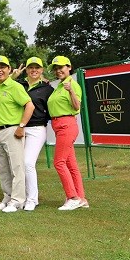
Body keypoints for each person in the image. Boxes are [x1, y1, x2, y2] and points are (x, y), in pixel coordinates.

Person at [0, 55, 35, 213]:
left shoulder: (15, 87)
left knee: (17, 168)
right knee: (3, 169)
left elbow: (29, 106)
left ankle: (17, 201)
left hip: (13, 130)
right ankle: (7, 198)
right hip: (0, 131)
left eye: (3, 67)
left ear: (9, 69)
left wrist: (22, 126)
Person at [12, 57, 54, 211]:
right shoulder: (19, 85)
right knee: (18, 163)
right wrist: (13, 77)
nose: (34, 70)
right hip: (19, 128)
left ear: (42, 70)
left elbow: (51, 110)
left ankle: (32, 199)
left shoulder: (47, 89)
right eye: (31, 67)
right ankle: (21, 197)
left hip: (37, 128)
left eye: (37, 68)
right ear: (27, 70)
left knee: (28, 163)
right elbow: (2, 86)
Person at [47, 55, 89, 210]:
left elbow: (77, 106)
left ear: (69, 67)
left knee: (59, 162)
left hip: (67, 125)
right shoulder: (59, 86)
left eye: (61, 67)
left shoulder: (72, 84)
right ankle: (82, 198)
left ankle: (73, 197)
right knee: (71, 164)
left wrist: (71, 91)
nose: (58, 71)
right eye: (56, 68)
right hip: (59, 126)